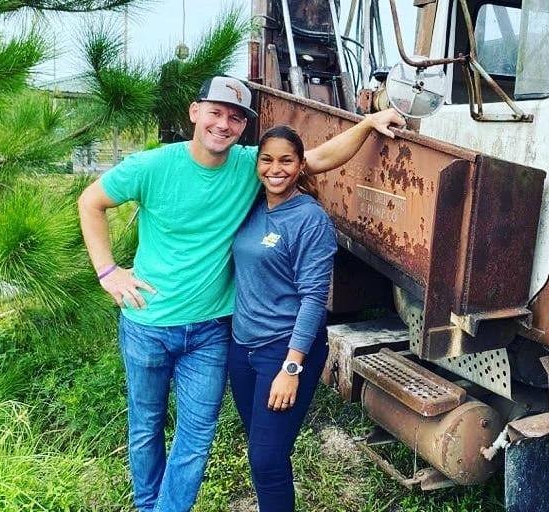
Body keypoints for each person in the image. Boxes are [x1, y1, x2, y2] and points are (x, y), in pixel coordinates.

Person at [77, 75, 405, 512]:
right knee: (145, 428)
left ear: (242, 128)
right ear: (195, 113)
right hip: (147, 325)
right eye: (215, 112)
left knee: (196, 438)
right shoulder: (152, 167)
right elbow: (91, 202)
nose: (223, 124)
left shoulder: (249, 167)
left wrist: (367, 124)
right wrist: (108, 271)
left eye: (235, 117)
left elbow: (319, 157)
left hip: (212, 332)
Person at [228, 125, 336, 511]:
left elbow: (313, 299)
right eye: (267, 159)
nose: (276, 169)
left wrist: (291, 367)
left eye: (287, 160)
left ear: (301, 165)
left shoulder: (310, 220)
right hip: (242, 348)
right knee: (261, 447)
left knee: (267, 458)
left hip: (283, 350)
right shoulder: (253, 207)